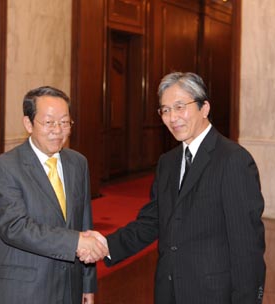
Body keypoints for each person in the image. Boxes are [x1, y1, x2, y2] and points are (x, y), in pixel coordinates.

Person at [94, 72, 266, 303]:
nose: (172, 117)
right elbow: (154, 220)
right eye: (165, 110)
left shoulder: (233, 160)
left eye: (179, 107)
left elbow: (247, 246)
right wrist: (105, 246)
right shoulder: (168, 162)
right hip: (169, 291)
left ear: (204, 108)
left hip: (213, 294)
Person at [0, 86, 108, 304]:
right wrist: (75, 242)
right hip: (25, 289)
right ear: (28, 124)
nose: (58, 130)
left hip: (70, 286)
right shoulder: (4, 168)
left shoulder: (78, 163)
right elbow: (15, 227)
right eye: (49, 122)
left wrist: (88, 284)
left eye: (64, 122)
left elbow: (83, 223)